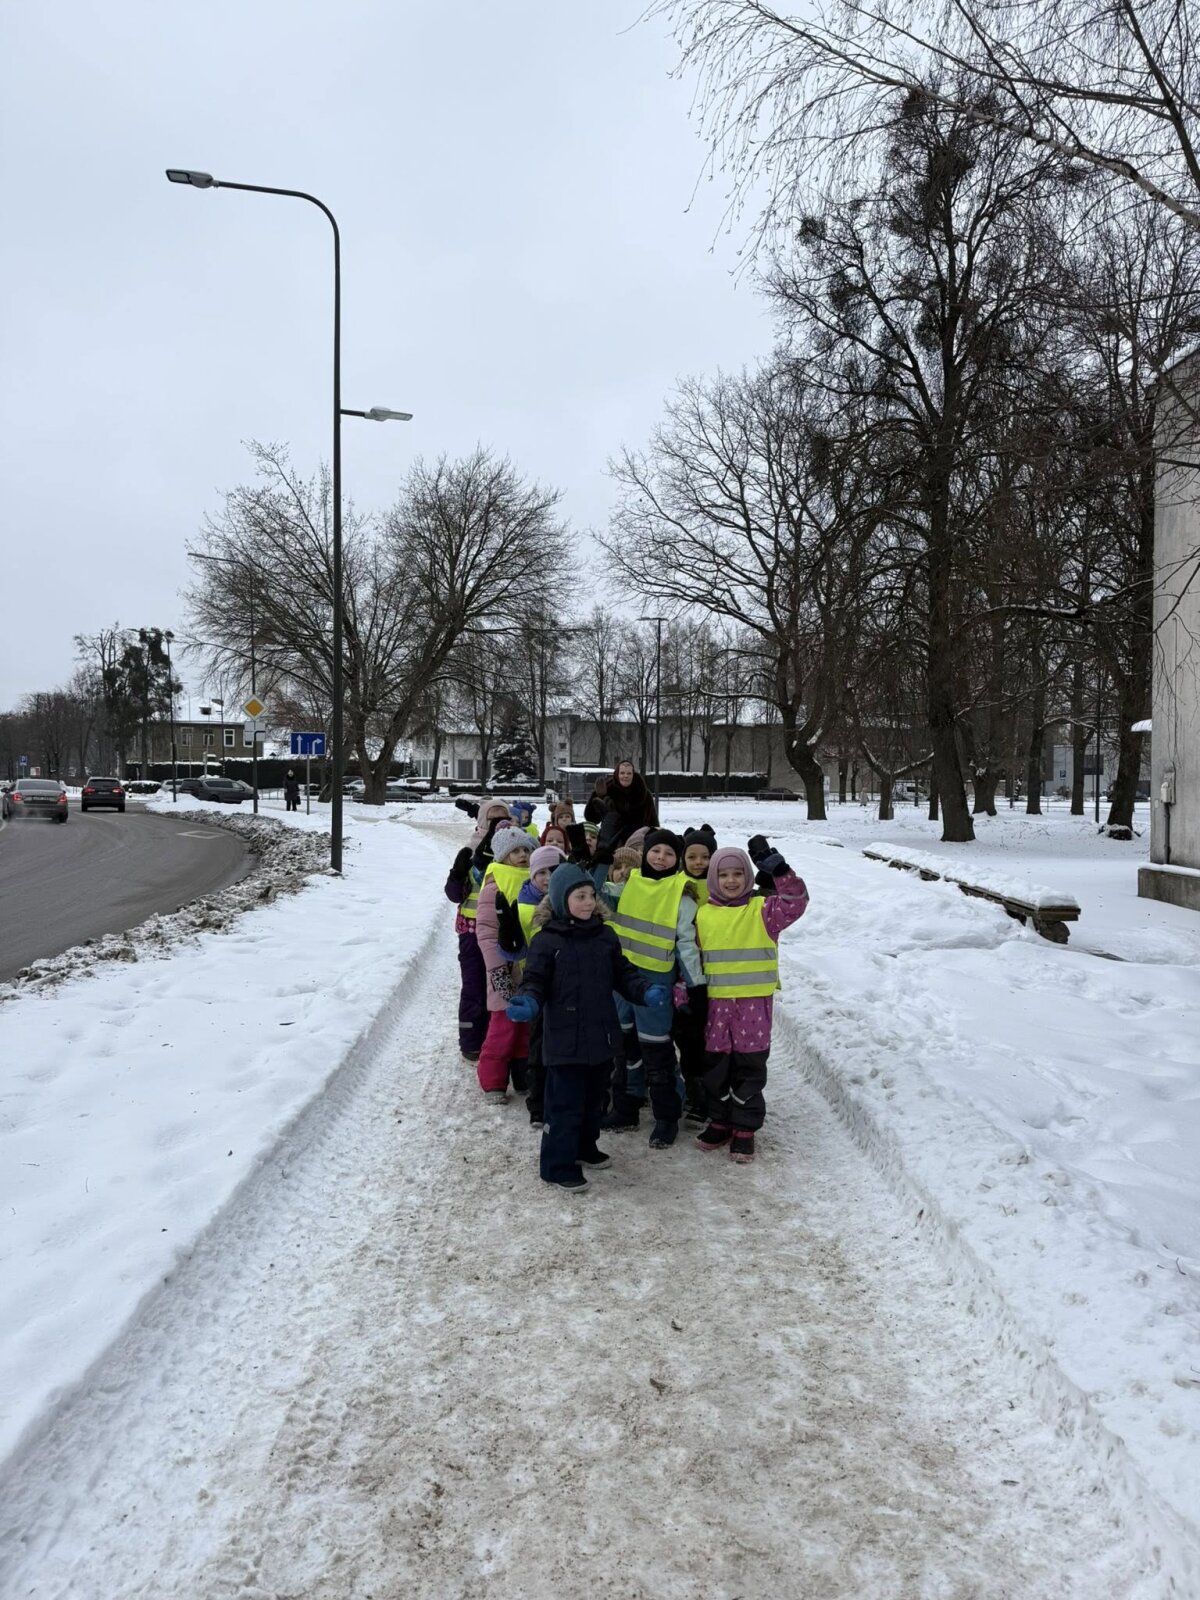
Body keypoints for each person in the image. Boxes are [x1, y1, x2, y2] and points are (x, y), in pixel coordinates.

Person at [507, 863, 669, 1192]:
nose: (589, 902)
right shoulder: (546, 941)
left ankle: (585, 1147)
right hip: (565, 1040)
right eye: (579, 896)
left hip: (601, 1034)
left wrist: (643, 990)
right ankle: (556, 1166)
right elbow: (535, 980)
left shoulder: (604, 936)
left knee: (594, 1100)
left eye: (591, 895)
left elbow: (623, 973)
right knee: (564, 1105)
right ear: (560, 900)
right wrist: (529, 1002)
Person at [693, 835, 809, 1165]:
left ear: (748, 877)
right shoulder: (703, 915)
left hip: (753, 1007)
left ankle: (745, 1127)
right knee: (717, 1066)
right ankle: (720, 1121)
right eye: (723, 875)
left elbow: (796, 902)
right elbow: (694, 958)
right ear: (713, 878)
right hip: (717, 1005)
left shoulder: (764, 910)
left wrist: (780, 871)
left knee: (749, 1066)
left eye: (738, 874)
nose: (731, 881)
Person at [604, 828, 703, 1147]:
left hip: (655, 986)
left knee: (657, 1051)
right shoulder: (628, 883)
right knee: (625, 1050)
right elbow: (596, 895)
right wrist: (597, 859)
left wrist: (696, 986)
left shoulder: (681, 894)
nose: (661, 858)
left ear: (678, 860)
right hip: (621, 980)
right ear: (645, 852)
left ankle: (666, 1117)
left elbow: (687, 945)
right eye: (656, 851)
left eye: (669, 853)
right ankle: (626, 1107)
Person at [495, 843, 565, 1126]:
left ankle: (565, 1098)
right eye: (542, 873)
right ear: (532, 875)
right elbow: (516, 951)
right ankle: (538, 1103)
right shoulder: (522, 906)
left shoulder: (571, 901)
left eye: (555, 872)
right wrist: (508, 942)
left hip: (570, 986)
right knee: (539, 1045)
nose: (548, 878)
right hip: (537, 987)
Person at [444, 801, 512, 1060]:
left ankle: (499, 1039)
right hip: (472, 932)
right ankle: (472, 1040)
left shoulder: (514, 848)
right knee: (474, 986)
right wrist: (457, 874)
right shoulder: (469, 850)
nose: (497, 823)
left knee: (502, 987)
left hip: (503, 931)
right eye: (492, 818)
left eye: (503, 817)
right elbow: (454, 894)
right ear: (482, 820)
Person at [473, 825, 533, 1099]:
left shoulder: (533, 880)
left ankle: (523, 1075)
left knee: (526, 1025)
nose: (522, 855)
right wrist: (498, 968)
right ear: (502, 855)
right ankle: (494, 1081)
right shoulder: (494, 884)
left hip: (529, 966)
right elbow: (486, 931)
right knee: (503, 1026)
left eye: (525, 850)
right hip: (503, 968)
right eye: (515, 851)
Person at [674, 826, 719, 1119]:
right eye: (692, 856)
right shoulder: (677, 887)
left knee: (714, 1036)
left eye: (705, 856)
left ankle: (715, 1091)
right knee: (689, 1036)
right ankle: (695, 1091)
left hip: (719, 973)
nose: (699, 862)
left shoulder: (723, 884)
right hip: (685, 977)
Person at [584, 759, 658, 849]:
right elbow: (592, 819)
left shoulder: (644, 794)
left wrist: (655, 840)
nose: (625, 776)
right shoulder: (607, 790)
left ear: (633, 774)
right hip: (609, 841)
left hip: (637, 842)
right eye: (622, 773)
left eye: (629, 773)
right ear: (617, 774)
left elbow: (653, 821)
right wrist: (597, 796)